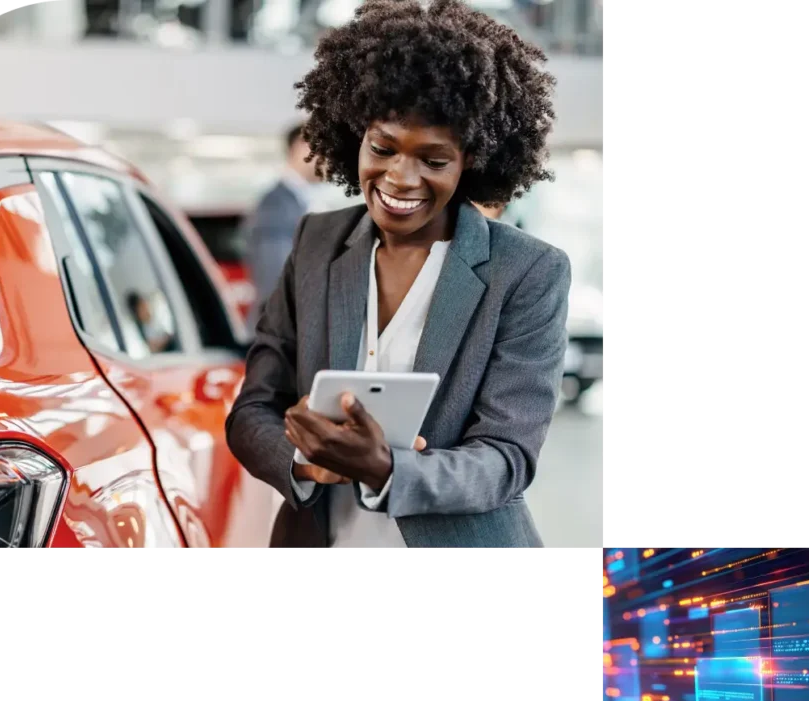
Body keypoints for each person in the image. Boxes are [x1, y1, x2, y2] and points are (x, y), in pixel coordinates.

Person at [226, 0, 571, 550]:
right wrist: (303, 461)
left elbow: (507, 458)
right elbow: (253, 409)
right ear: (353, 135)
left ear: (472, 163)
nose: (400, 177)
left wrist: (387, 469)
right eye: (382, 148)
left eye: (433, 160)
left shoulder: (528, 271)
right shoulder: (317, 242)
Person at [245, 124, 321, 328]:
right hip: (280, 337)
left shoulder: (299, 202)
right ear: (301, 147)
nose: (332, 159)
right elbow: (275, 281)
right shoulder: (276, 206)